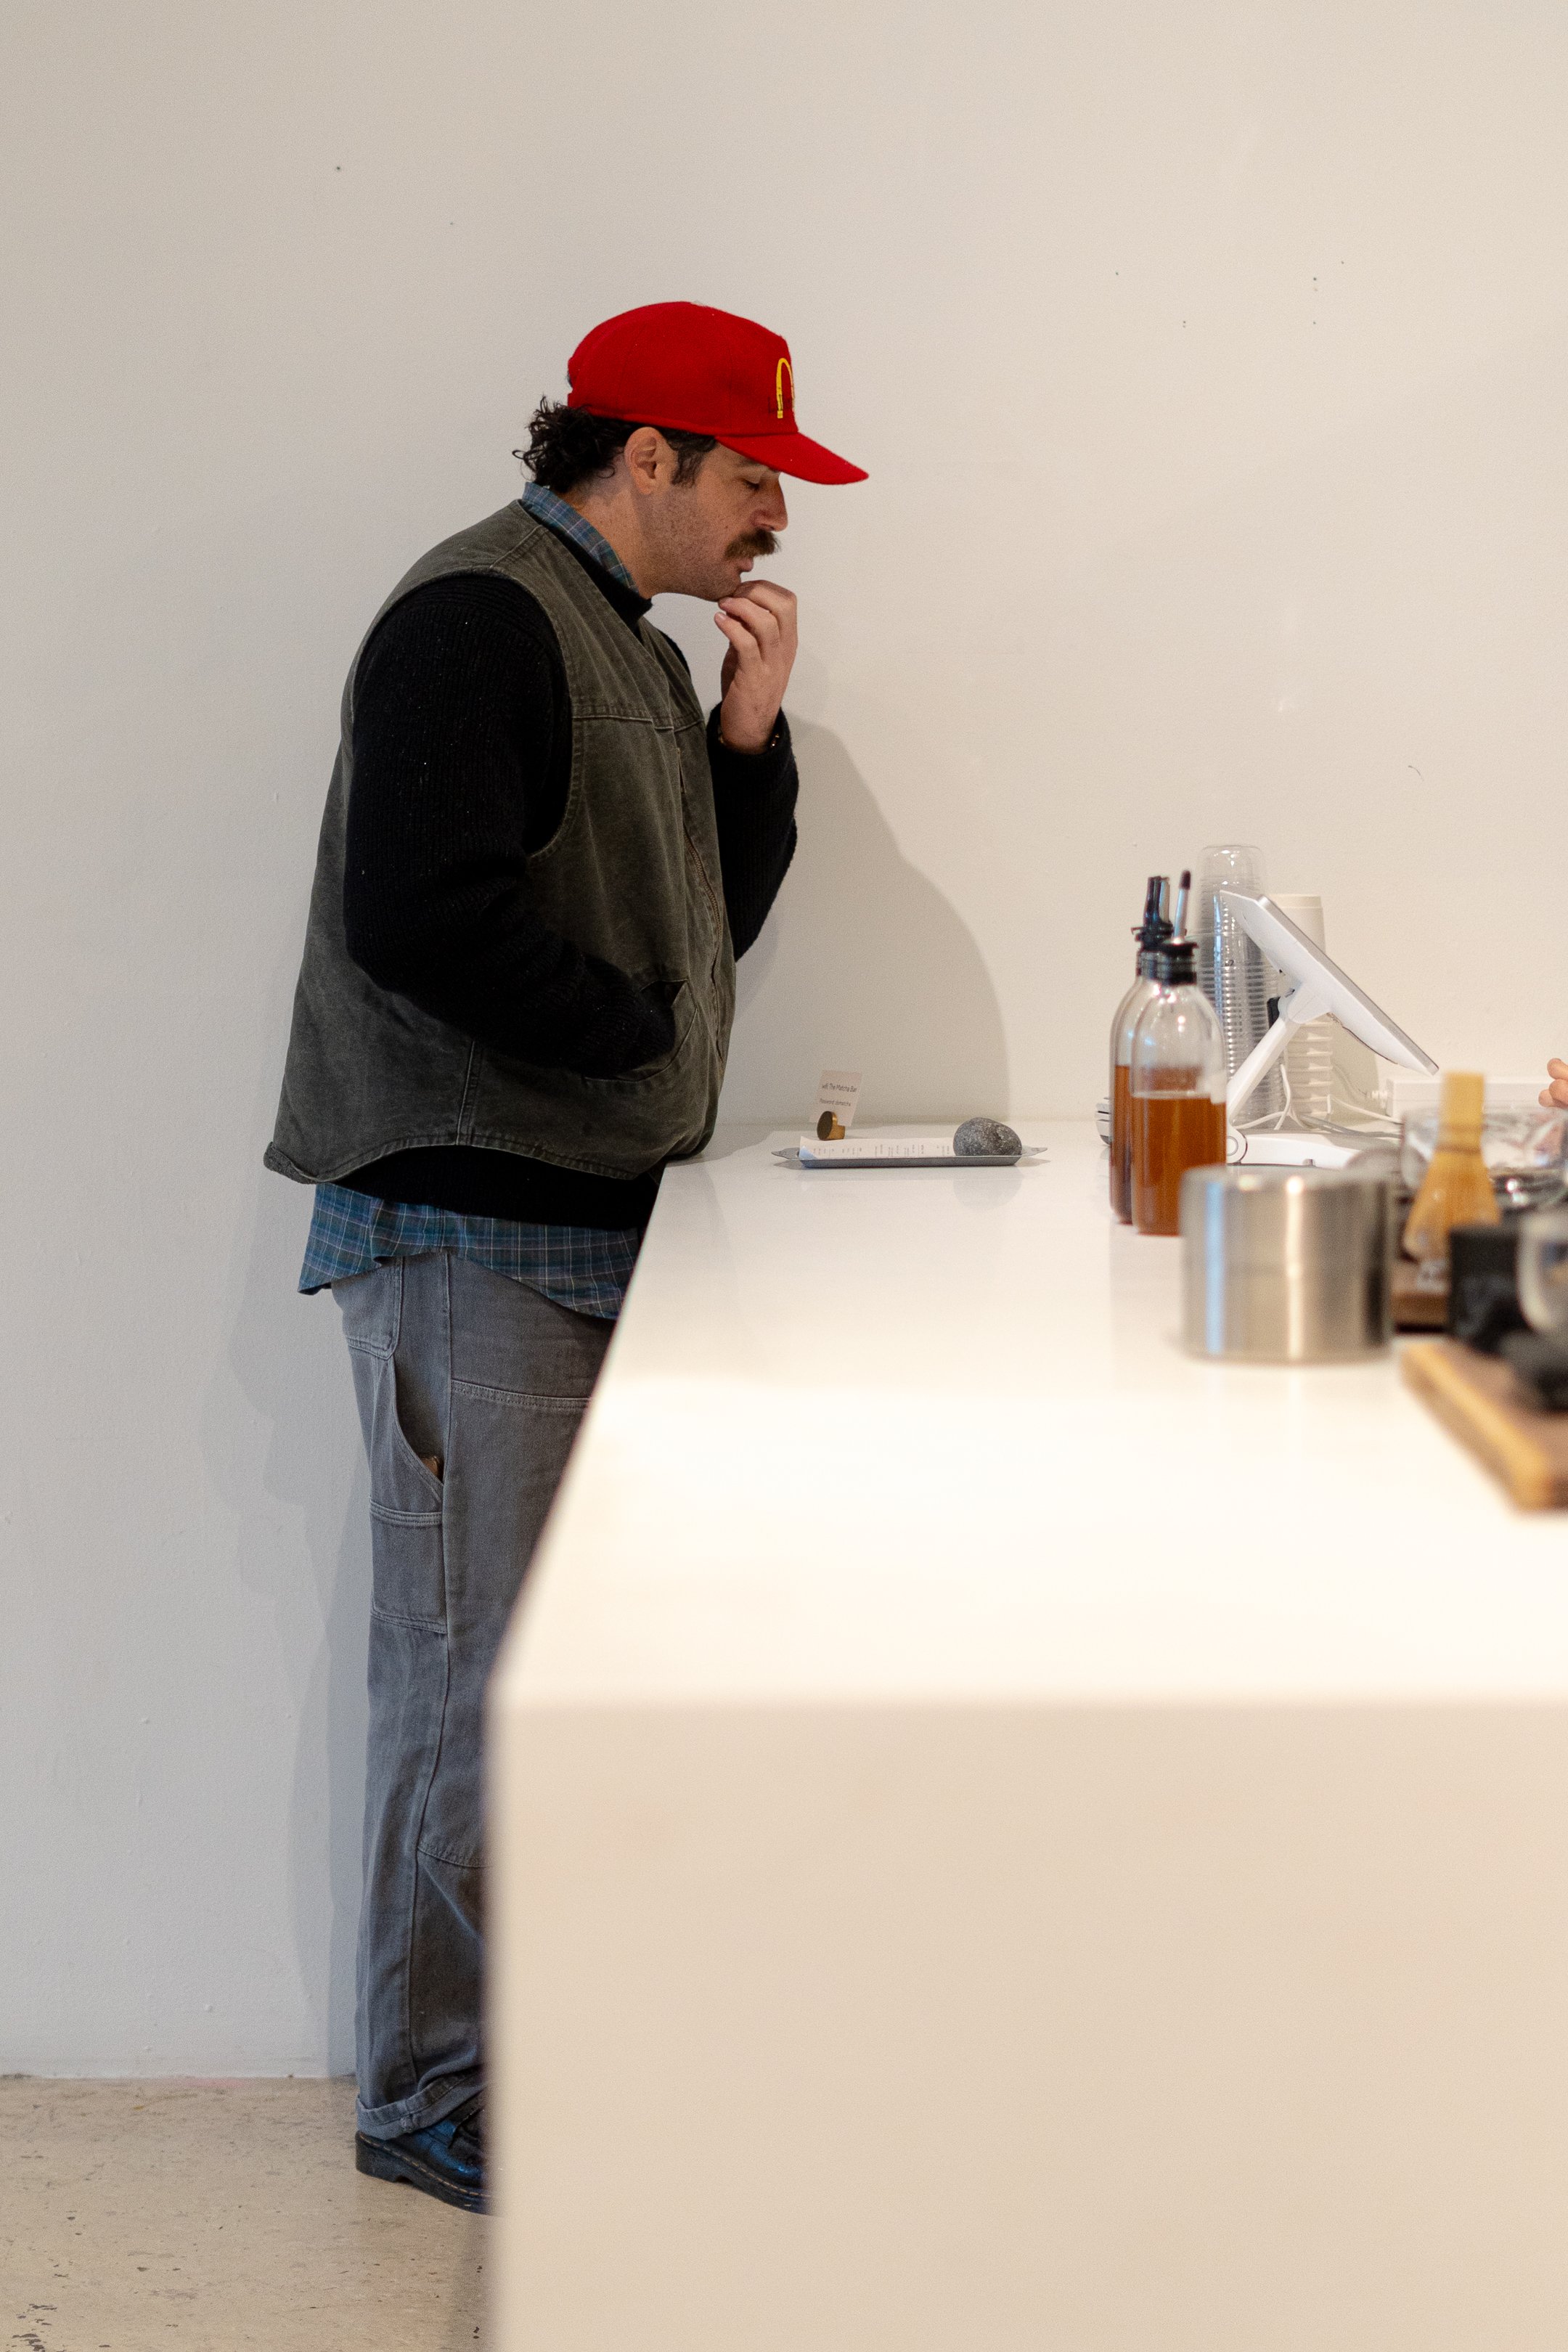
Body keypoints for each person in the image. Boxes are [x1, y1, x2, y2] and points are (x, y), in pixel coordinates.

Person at [265, 303, 866, 2210]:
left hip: (578, 1220)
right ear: (650, 455)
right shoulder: (481, 615)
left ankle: (539, 2064)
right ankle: (431, 2098)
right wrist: (625, 1036)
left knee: (541, 1679)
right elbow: (417, 910)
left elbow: (702, 927)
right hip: (473, 1223)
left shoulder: (625, 647)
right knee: (474, 1679)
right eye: (754, 473)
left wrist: (745, 741)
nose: (777, 514)